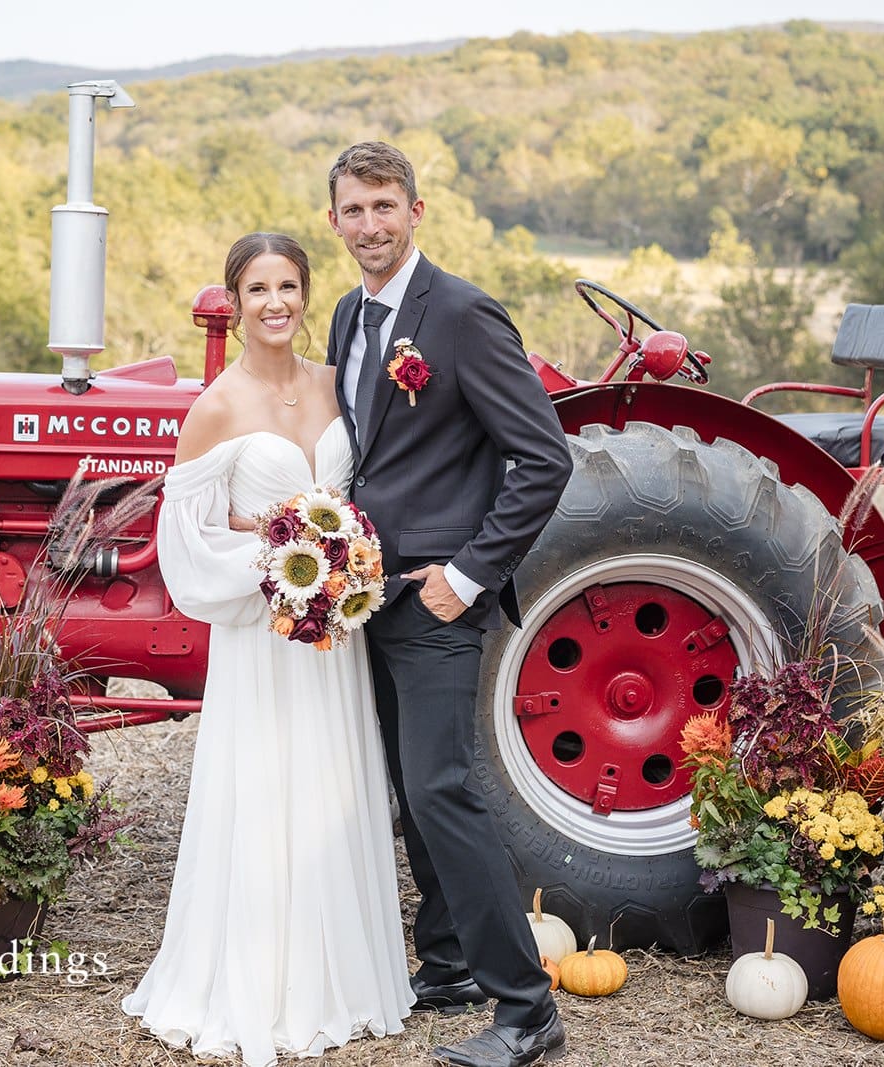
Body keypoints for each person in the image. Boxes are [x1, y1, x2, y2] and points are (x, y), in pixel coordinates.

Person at [121, 233, 412, 1066]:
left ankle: (341, 976)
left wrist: (343, 561)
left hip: (335, 638)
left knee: (332, 786)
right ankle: (260, 979)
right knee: (265, 787)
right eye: (258, 289)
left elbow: (362, 494)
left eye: (288, 286)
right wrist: (278, 556)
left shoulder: (336, 383)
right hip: (263, 639)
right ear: (235, 301)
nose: (275, 302)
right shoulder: (217, 405)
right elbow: (185, 540)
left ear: (306, 294)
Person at [325, 142, 575, 1067]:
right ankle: (449, 964)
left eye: (384, 206)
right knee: (408, 786)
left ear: (416, 211)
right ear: (334, 221)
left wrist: (466, 574)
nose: (370, 225)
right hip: (369, 594)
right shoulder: (347, 315)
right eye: (354, 210)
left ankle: (528, 1010)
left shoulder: (463, 315)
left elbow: (544, 457)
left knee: (442, 786)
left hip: (437, 598)